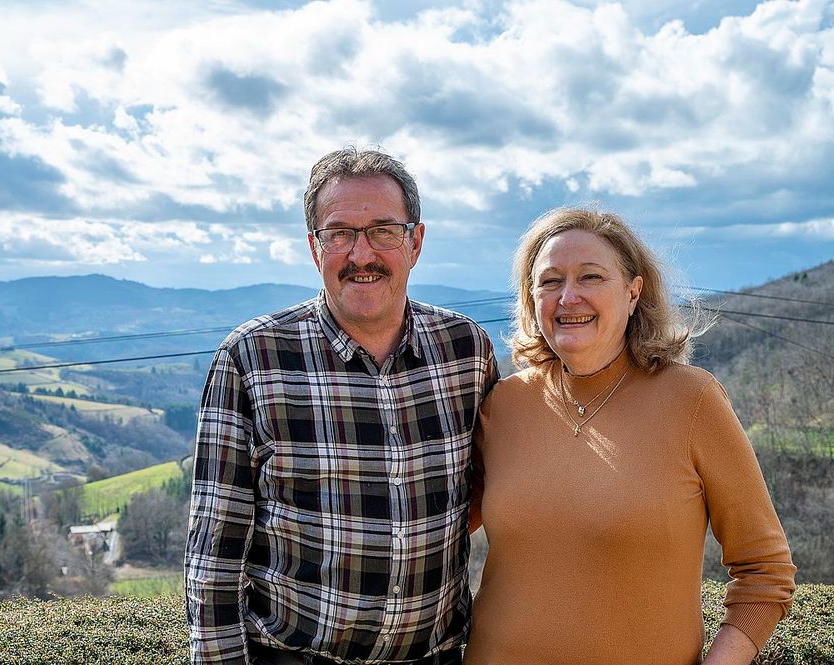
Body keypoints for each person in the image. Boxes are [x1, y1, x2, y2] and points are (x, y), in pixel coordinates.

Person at [185, 147, 497, 665]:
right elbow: (215, 548)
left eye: (382, 230)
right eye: (340, 233)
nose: (361, 254)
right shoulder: (252, 358)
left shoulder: (466, 351)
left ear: (415, 241)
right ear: (314, 247)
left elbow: (489, 491)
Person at [464, 207, 795, 665]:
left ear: (634, 291)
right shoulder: (502, 404)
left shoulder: (692, 400)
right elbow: (439, 529)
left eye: (591, 277)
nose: (569, 297)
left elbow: (766, 571)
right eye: (550, 281)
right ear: (530, 297)